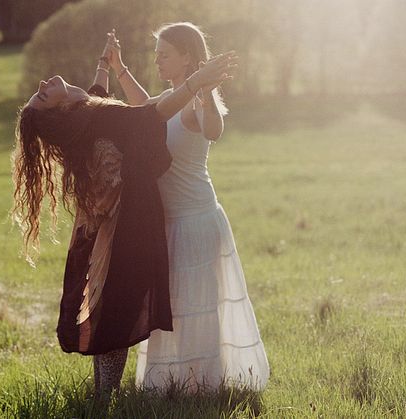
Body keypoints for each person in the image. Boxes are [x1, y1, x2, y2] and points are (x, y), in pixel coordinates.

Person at [11, 47, 238, 395]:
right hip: (128, 220)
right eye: (43, 95)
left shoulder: (87, 113)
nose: (44, 83)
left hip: (115, 218)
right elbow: (153, 114)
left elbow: (96, 96)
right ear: (62, 110)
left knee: (109, 302)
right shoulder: (94, 117)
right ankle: (105, 396)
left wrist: (106, 65)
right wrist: (196, 82)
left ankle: (103, 393)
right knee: (118, 307)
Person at [104, 23, 270, 392]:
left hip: (196, 221)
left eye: (164, 54)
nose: (158, 61)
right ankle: (173, 385)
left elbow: (213, 129)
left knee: (198, 308)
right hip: (168, 222)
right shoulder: (169, 99)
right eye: (156, 54)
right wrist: (118, 67)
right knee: (173, 309)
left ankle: (204, 387)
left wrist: (206, 91)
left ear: (186, 58)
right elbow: (142, 109)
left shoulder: (197, 103)